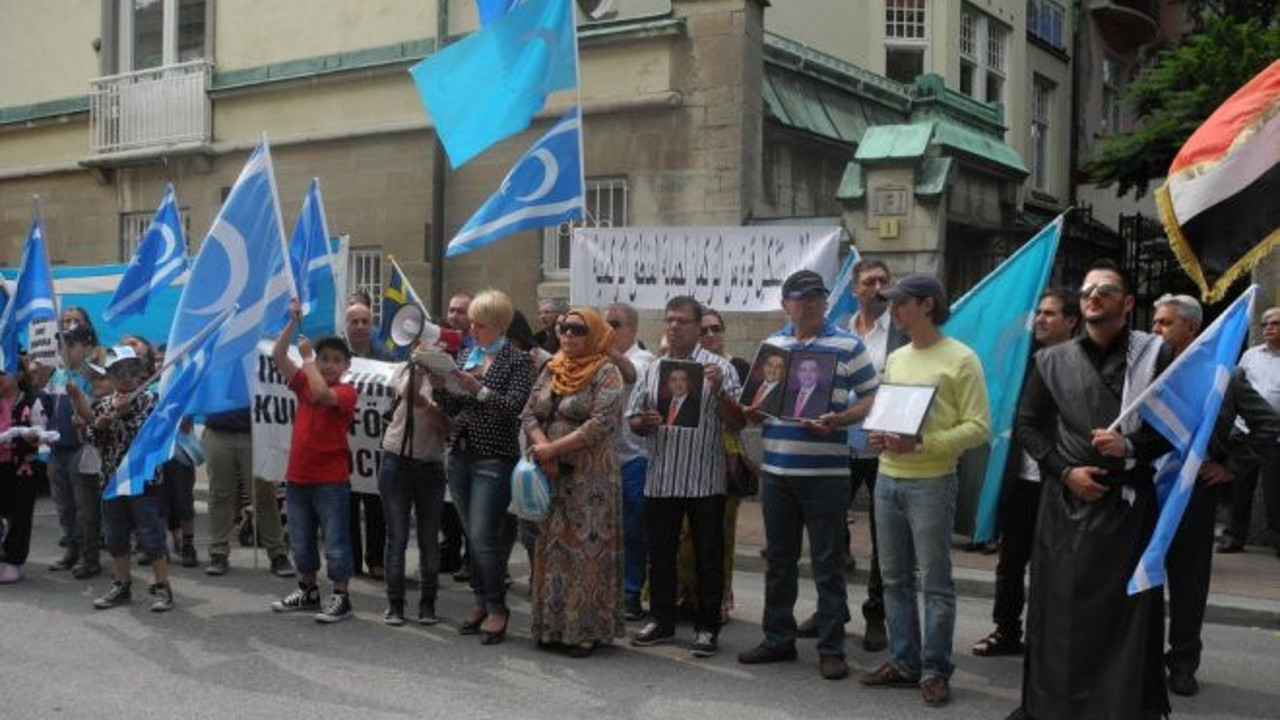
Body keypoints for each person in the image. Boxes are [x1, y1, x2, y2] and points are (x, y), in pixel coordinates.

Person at [1010, 260, 1172, 720]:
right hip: (1065, 505)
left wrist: (1131, 446)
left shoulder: (1155, 356)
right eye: (1086, 290)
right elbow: (1027, 425)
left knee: (1123, 616)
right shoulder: (1052, 360)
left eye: (1105, 289)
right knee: (1061, 612)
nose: (1093, 295)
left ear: (1128, 303)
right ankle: (1053, 707)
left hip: (1127, 508)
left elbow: (1180, 429)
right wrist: (1065, 472)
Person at [738, 270, 879, 682]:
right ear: (786, 305)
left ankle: (832, 648)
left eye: (817, 297)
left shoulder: (848, 345)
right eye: (802, 298)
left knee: (828, 563)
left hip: (827, 474)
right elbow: (758, 401)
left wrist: (839, 420)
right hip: (777, 471)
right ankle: (777, 638)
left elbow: (871, 397)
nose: (811, 304)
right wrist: (752, 410)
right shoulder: (773, 346)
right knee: (778, 561)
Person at [857, 273, 990, 707]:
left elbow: (979, 427)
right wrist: (879, 433)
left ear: (927, 305)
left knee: (934, 581)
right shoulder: (896, 358)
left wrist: (923, 443)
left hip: (933, 481)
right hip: (887, 476)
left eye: (899, 303)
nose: (892, 310)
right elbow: (888, 411)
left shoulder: (962, 358)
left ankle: (935, 669)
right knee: (894, 579)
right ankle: (904, 662)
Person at [1151, 294, 1280, 696]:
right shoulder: (1143, 367)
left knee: (1188, 585)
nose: (1155, 330)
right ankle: (1140, 658)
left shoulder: (1227, 375)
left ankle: (1183, 663)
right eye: (1154, 323)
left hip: (1192, 495)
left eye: (1164, 323)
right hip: (1145, 491)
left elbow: (1269, 427)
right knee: (1145, 580)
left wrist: (1231, 468)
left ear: (1191, 327)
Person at [628, 297, 744, 658]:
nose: (674, 327)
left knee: (709, 556)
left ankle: (707, 627)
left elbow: (738, 422)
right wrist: (643, 422)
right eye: (669, 320)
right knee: (660, 554)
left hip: (704, 480)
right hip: (662, 478)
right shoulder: (654, 368)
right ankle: (662, 620)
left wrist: (720, 390)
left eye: (682, 321)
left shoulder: (721, 368)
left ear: (698, 326)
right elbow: (634, 417)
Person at [804, 258, 905, 651]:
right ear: (856, 289)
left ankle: (875, 615)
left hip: (883, 448)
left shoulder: (901, 335)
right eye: (869, 281)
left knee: (885, 538)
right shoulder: (841, 333)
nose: (877, 286)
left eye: (884, 280)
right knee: (827, 532)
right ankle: (833, 609)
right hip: (840, 446)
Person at [972, 287, 1080, 658]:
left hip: (1062, 480)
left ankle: (1050, 638)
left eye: (1050, 314)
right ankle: (1007, 631)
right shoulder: (1023, 361)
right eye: (1040, 313)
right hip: (1021, 479)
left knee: (1056, 566)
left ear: (1072, 320)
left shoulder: (1081, 363)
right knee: (1011, 562)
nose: (1041, 320)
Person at [522, 307, 627, 657]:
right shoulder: (551, 367)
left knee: (585, 554)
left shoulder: (606, 372)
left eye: (578, 329)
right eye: (564, 329)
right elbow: (529, 413)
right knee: (552, 550)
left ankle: (584, 631)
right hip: (551, 475)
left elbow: (599, 424)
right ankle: (551, 629)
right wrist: (545, 451)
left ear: (594, 334)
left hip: (590, 480)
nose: (568, 335)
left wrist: (553, 448)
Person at [434, 289, 534, 645]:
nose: (472, 330)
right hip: (460, 452)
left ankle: (496, 607)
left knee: (483, 536)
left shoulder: (518, 361)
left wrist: (478, 390)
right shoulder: (466, 354)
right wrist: (439, 383)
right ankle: (480, 600)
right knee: (470, 534)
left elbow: (514, 407)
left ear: (500, 325)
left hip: (494, 455)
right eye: (472, 323)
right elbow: (451, 406)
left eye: (481, 324)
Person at [270, 301, 360, 623]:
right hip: (299, 477)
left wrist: (308, 359)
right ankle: (308, 591)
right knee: (301, 540)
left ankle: (341, 596)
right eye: (324, 359)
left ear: (347, 366)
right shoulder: (305, 382)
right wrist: (291, 324)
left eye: (337, 360)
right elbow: (279, 357)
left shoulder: (347, 392)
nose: (329, 365)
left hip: (330, 479)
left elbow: (323, 395)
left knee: (335, 541)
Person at [79, 344, 174, 612]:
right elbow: (92, 439)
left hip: (144, 481)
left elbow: (145, 432)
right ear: (109, 375)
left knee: (151, 535)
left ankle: (162, 586)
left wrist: (122, 413)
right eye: (119, 371)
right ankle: (122, 584)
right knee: (116, 536)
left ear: (140, 373)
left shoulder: (150, 401)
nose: (126, 376)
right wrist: (100, 424)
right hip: (112, 481)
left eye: (132, 370)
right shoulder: (104, 403)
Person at [378, 341, 451, 626]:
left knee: (429, 539)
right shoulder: (405, 369)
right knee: (396, 537)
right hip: (396, 459)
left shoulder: (448, 381)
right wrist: (418, 366)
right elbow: (406, 394)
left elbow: (449, 425)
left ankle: (427, 603)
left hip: (431, 465)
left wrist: (429, 401)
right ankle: (395, 603)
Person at [606, 301, 657, 621]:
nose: (609, 330)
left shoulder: (646, 359)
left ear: (633, 329)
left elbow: (630, 375)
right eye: (605, 324)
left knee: (634, 531)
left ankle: (630, 592)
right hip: (604, 458)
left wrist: (607, 351)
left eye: (615, 324)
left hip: (635, 458)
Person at [1219, 306, 1280, 555]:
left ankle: (1278, 539)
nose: (1268, 328)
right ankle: (1234, 537)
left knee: (1275, 491)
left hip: (1275, 436)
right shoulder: (1250, 355)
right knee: (1239, 487)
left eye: (1274, 324)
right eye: (1264, 324)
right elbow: (1235, 390)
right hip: (1245, 433)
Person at [46, 325, 100, 578]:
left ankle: (90, 558)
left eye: (71, 344)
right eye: (62, 344)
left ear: (87, 348)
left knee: (85, 508)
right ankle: (71, 550)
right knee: (64, 506)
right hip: (57, 449)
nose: (64, 350)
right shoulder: (57, 375)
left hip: (82, 448)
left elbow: (97, 412)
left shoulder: (93, 376)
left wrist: (80, 402)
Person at [342, 299, 389, 580]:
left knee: (376, 508)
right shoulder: (335, 356)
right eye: (354, 321)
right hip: (344, 445)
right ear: (345, 325)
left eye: (365, 322)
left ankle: (376, 560)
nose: (360, 327)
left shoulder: (385, 358)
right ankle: (351, 560)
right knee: (346, 506)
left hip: (374, 448)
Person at [0, 364, 46, 584]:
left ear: (17, 375)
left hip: (21, 468)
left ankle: (13, 562)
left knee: (20, 515)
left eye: (2, 373)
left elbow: (42, 434)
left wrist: (32, 438)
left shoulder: (31, 401)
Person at [440, 292, 474, 578]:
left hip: (468, 434)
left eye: (461, 310)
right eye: (451, 310)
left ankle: (471, 557)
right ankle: (449, 550)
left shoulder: (475, 351)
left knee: (467, 502)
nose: (454, 316)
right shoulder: (443, 345)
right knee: (446, 501)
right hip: (442, 432)